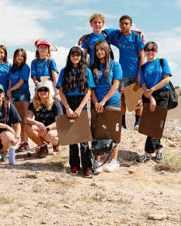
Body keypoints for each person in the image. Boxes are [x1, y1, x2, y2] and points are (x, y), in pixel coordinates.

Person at [56, 46, 96, 178]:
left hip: (81, 104)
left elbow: (89, 91)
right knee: (72, 138)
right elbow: (61, 91)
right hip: (68, 103)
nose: (75, 57)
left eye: (78, 55)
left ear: (81, 56)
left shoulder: (87, 71)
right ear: (70, 56)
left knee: (83, 139)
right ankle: (74, 165)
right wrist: (67, 108)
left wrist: (79, 108)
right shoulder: (64, 71)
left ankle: (87, 168)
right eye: (73, 55)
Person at [135, 42, 172, 163]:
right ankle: (158, 150)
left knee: (156, 123)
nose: (150, 52)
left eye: (152, 50)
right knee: (152, 124)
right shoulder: (143, 67)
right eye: (147, 50)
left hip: (162, 94)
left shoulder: (162, 62)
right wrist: (150, 97)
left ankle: (147, 153)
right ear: (145, 52)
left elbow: (166, 79)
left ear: (156, 51)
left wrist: (153, 90)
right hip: (149, 95)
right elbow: (143, 84)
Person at [106, 15, 146, 129]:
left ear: (131, 25)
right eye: (122, 23)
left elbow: (142, 56)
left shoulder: (137, 37)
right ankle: (122, 123)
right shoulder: (118, 36)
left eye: (126, 24)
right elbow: (100, 32)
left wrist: (140, 74)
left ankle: (137, 122)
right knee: (121, 98)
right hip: (123, 73)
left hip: (135, 73)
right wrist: (86, 36)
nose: (124, 26)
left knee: (136, 98)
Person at [89, 41, 122, 173]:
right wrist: (97, 102)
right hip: (96, 103)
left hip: (112, 101)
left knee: (113, 131)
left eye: (101, 50)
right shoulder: (92, 68)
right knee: (97, 132)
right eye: (96, 50)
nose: (99, 52)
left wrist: (103, 101)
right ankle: (96, 161)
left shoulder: (115, 65)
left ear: (106, 50)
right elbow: (91, 88)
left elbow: (116, 85)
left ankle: (114, 161)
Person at [25, 81, 63, 158]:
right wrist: (36, 123)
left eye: (45, 90)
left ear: (49, 91)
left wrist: (48, 128)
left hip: (53, 129)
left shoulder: (55, 103)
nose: (43, 92)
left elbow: (60, 121)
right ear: (37, 92)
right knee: (27, 127)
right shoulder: (33, 103)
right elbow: (26, 118)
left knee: (49, 135)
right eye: (40, 90)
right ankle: (43, 147)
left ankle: (56, 145)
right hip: (42, 128)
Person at [7, 48, 31, 152]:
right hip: (14, 95)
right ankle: (21, 143)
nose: (20, 57)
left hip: (23, 94)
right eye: (18, 55)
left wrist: (10, 89)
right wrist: (10, 94)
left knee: (25, 119)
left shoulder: (25, 67)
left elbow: (21, 82)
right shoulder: (12, 68)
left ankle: (25, 143)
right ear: (15, 57)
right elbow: (10, 81)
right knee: (18, 120)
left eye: (22, 55)